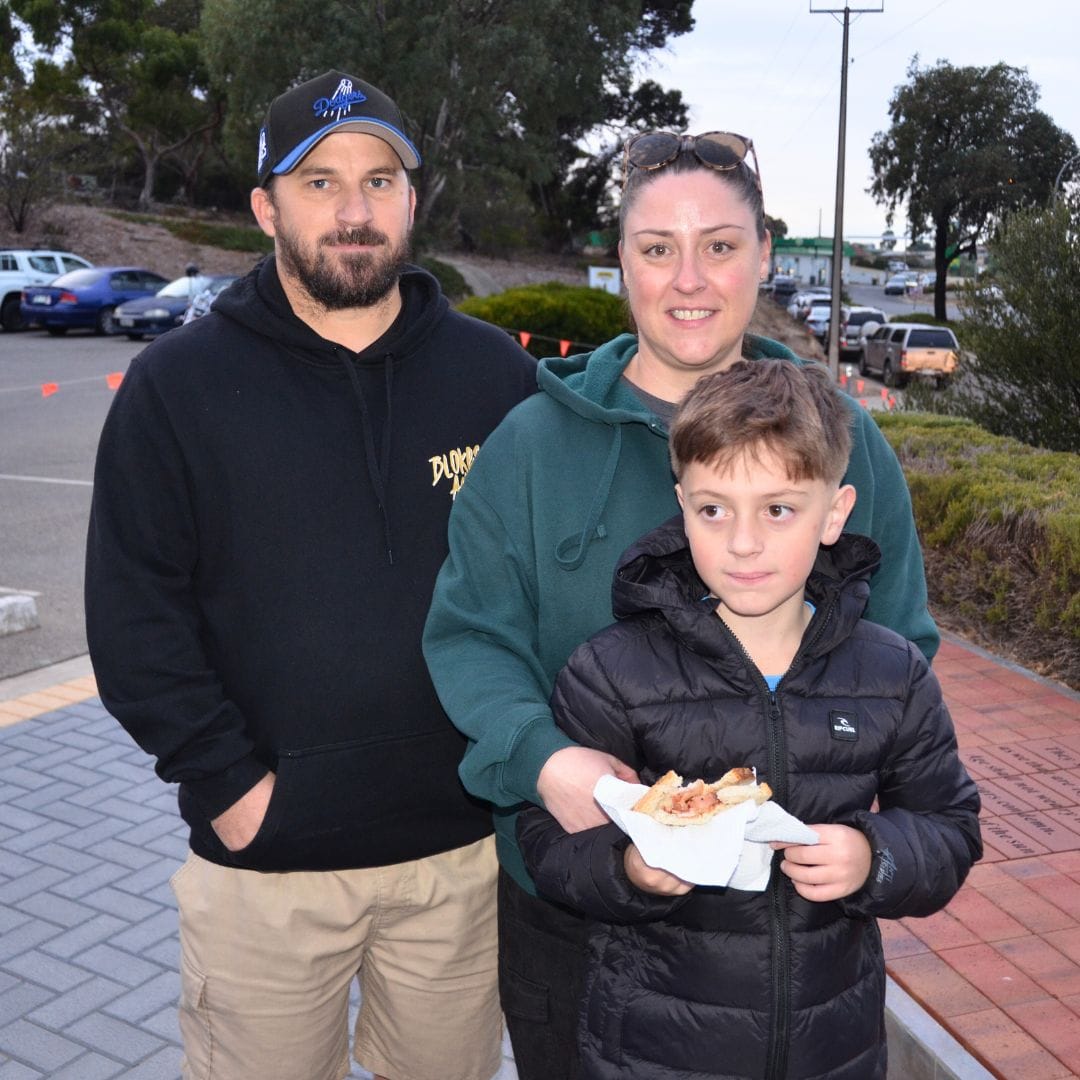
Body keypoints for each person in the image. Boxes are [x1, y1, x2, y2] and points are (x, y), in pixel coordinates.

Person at [422, 130, 940, 1079]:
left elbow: (899, 643)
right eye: (658, 247)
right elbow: (471, 637)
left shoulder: (843, 438)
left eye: (721, 245)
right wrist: (544, 762)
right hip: (578, 897)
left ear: (765, 255)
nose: (689, 279)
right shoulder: (533, 445)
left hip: (787, 932)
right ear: (620, 261)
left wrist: (856, 829)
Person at [85, 69, 537, 1080]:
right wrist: (231, 789)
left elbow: (542, 588)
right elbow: (134, 619)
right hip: (266, 871)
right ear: (266, 208)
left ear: (413, 200)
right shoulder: (176, 387)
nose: (354, 211)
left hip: (460, 861)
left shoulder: (495, 377)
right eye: (320, 182)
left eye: (380, 181)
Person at [516, 357, 982, 1079]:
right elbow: (546, 845)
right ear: (682, 506)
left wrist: (874, 856)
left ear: (835, 514)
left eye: (778, 509)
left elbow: (950, 828)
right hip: (653, 1052)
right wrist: (628, 868)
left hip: (832, 1049)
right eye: (714, 510)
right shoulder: (612, 670)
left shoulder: (891, 674)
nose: (742, 542)